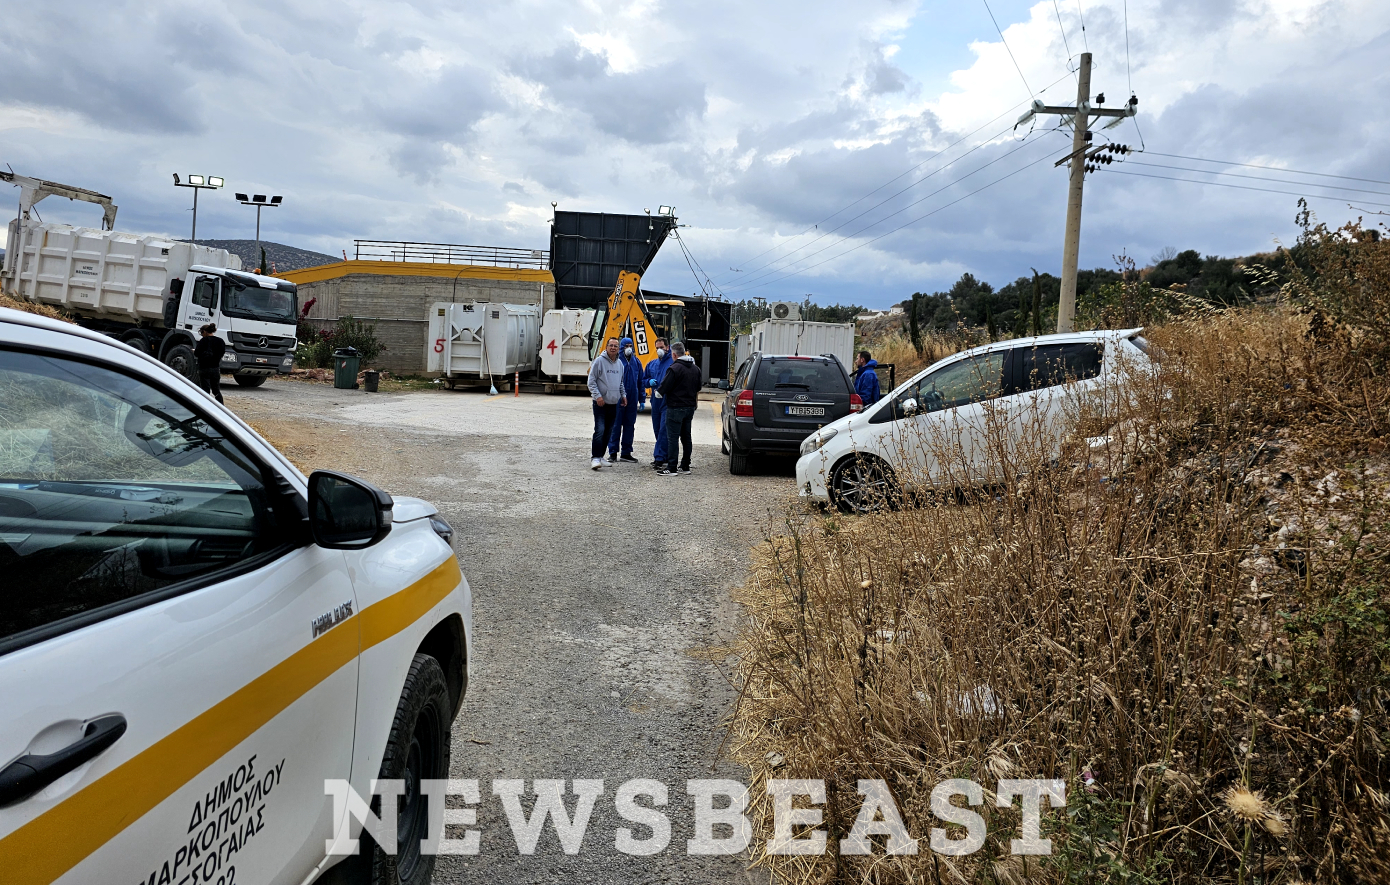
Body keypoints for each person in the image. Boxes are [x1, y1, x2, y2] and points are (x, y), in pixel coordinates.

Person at [657, 341, 701, 476]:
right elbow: (698, 387)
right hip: (689, 407)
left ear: (674, 354)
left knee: (673, 438)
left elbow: (662, 390)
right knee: (686, 437)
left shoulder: (674, 368)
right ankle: (685, 466)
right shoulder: (695, 369)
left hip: (675, 407)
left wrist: (657, 392)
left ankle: (671, 467)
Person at [586, 337, 626, 470]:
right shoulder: (599, 362)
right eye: (611, 345)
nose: (613, 348)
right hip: (600, 404)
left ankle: (601, 456)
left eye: (616, 346)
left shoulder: (620, 364)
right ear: (607, 346)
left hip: (613, 404)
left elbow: (620, 383)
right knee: (600, 430)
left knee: (608, 431)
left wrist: (623, 396)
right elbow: (591, 381)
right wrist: (597, 396)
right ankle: (595, 458)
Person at [606, 336, 643, 463]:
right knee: (615, 425)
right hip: (617, 398)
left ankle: (626, 453)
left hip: (632, 399)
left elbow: (640, 381)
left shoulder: (636, 362)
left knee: (629, 425)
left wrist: (642, 399)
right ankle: (613, 452)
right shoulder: (616, 361)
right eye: (626, 346)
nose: (628, 349)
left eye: (630, 346)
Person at [642, 337, 673, 469]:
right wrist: (648, 382)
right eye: (657, 348)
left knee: (663, 430)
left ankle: (659, 458)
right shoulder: (652, 364)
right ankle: (664, 454)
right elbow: (643, 379)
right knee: (657, 429)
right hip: (655, 400)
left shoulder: (673, 363)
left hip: (668, 400)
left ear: (667, 347)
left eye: (662, 347)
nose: (659, 350)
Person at [194, 323, 226, 404]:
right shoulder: (220, 341)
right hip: (215, 368)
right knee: (216, 390)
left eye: (202, 333)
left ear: (204, 332)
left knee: (205, 389)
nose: (202, 335)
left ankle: (205, 406)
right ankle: (221, 406)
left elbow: (197, 353)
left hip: (204, 368)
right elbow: (222, 353)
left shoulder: (203, 340)